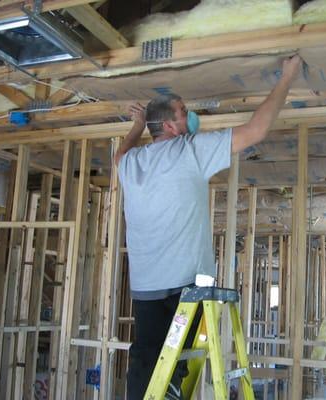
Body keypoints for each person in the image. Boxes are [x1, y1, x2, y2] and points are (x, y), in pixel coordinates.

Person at [115, 55, 302, 399]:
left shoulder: (132, 163)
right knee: (175, 370)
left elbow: (119, 155)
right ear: (170, 126)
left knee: (148, 362)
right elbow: (256, 130)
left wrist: (137, 125)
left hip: (144, 286)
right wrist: (287, 77)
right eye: (184, 111)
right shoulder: (189, 150)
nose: (190, 116)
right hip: (185, 287)